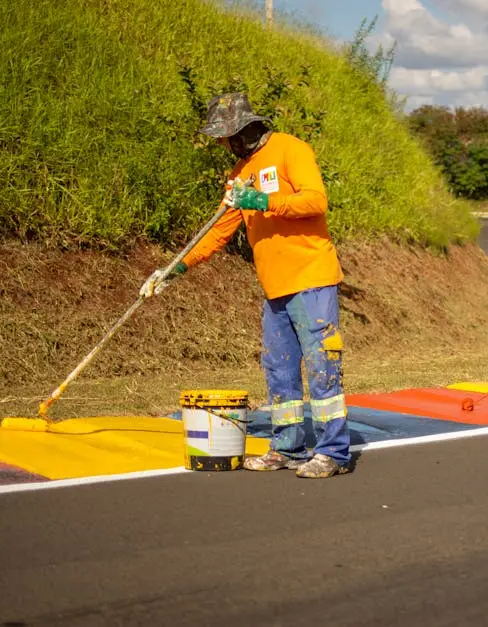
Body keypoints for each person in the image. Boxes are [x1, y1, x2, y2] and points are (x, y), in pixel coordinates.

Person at [140, 93, 350, 479]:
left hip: (312, 278)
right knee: (279, 369)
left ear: (243, 129)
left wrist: (262, 199)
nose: (221, 144)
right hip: (275, 289)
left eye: (224, 136)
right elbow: (218, 232)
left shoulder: (291, 149)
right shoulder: (239, 175)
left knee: (322, 367)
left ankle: (332, 453)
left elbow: (315, 201)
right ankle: (287, 448)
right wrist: (174, 268)